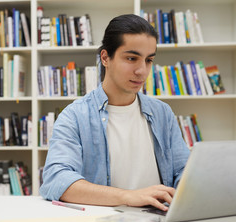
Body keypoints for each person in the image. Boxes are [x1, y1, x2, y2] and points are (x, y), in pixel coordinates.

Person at [39, 14, 190, 211]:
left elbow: (184, 172)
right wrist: (128, 196)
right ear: (105, 58)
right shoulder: (74, 116)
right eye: (131, 58)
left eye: (149, 60)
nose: (142, 71)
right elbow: (56, 180)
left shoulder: (162, 113)